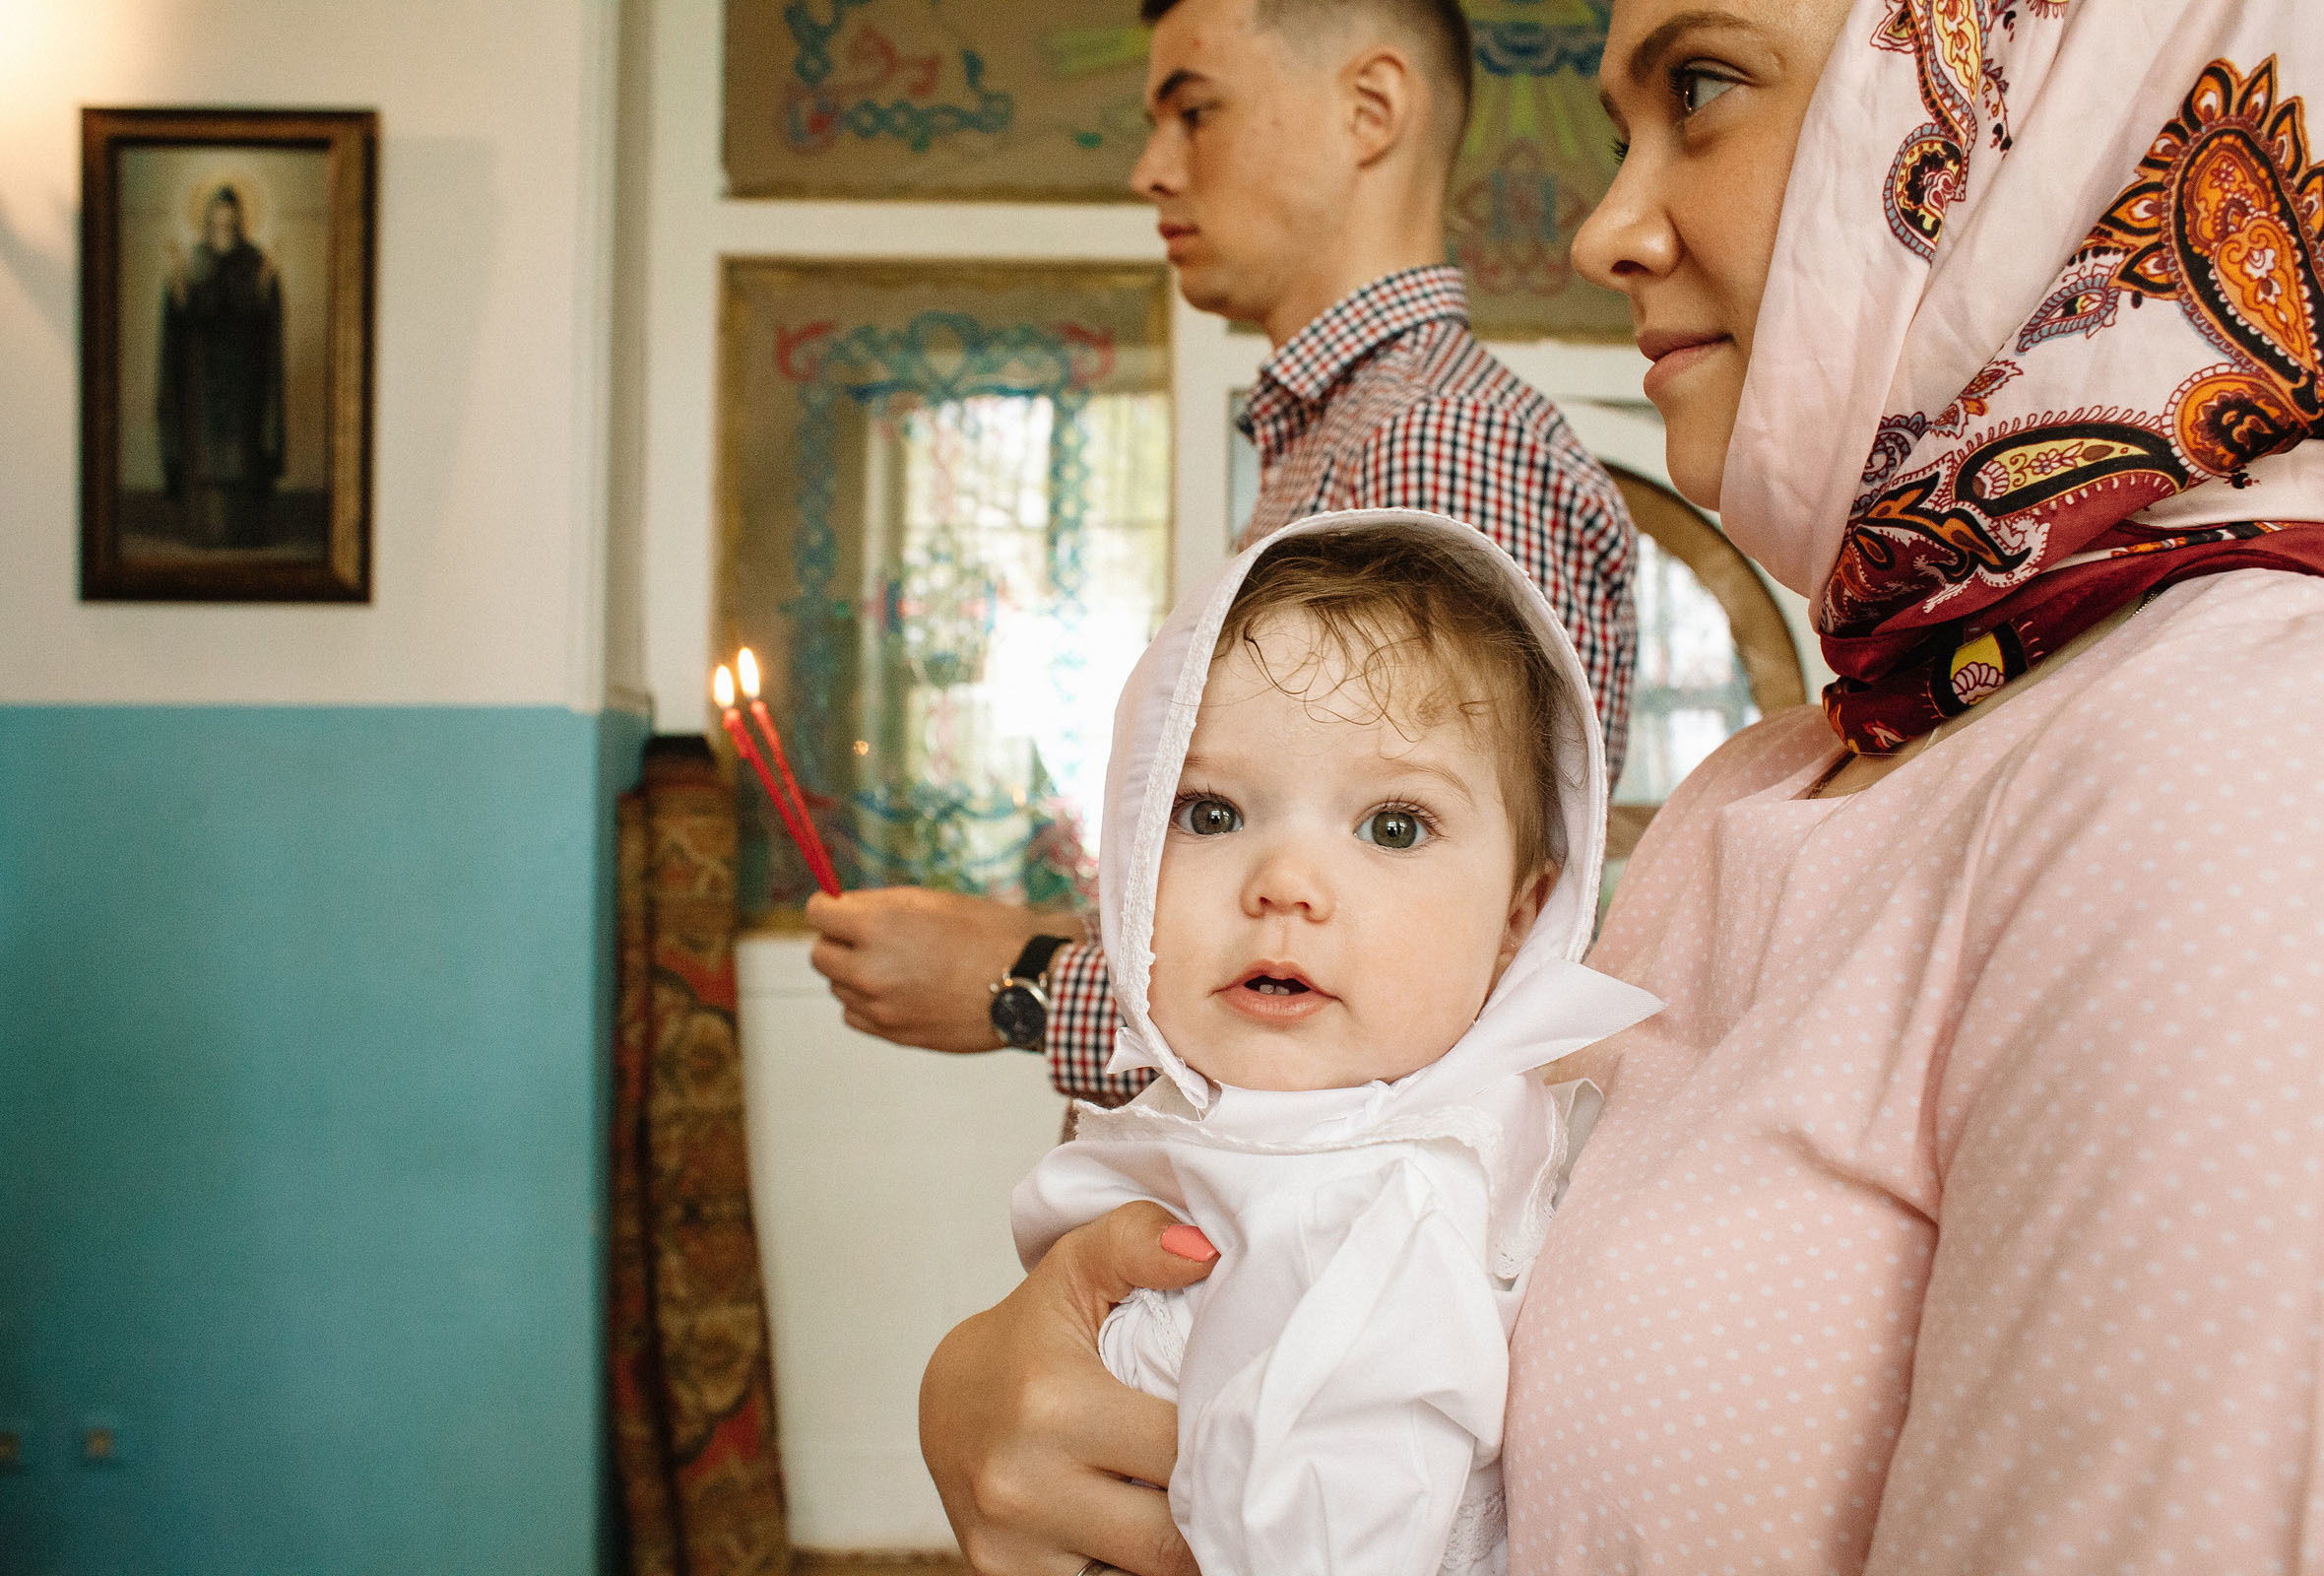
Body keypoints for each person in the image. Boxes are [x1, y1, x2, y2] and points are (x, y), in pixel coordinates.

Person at [917, 1, 2324, 1572]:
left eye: (1702, 87)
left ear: (2033, 103)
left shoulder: (2231, 774)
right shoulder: (1781, 775)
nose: (1601, 231)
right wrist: (1011, 1400)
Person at [807, 0, 1637, 1111]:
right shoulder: (1354, 434)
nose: (1151, 170)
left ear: (1371, 108)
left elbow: (1417, 1014)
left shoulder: (1435, 438)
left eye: (1195, 112)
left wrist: (1025, 984)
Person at [1012, 515, 1657, 1575]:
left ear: (1519, 918)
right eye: (1209, 813)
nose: (1285, 885)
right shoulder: (1243, 1129)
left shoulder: (1384, 1212)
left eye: (1393, 826)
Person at [158, 184, 285, 550]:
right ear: (207, 222)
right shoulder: (195, 260)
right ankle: (203, 532)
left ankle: (244, 534)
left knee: (243, 457)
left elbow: (262, 320)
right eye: (216, 223)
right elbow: (184, 321)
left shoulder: (254, 261)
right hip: (203, 382)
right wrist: (179, 286)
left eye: (229, 223)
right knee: (204, 458)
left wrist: (266, 283)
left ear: (239, 223)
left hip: (243, 381)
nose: (222, 230)